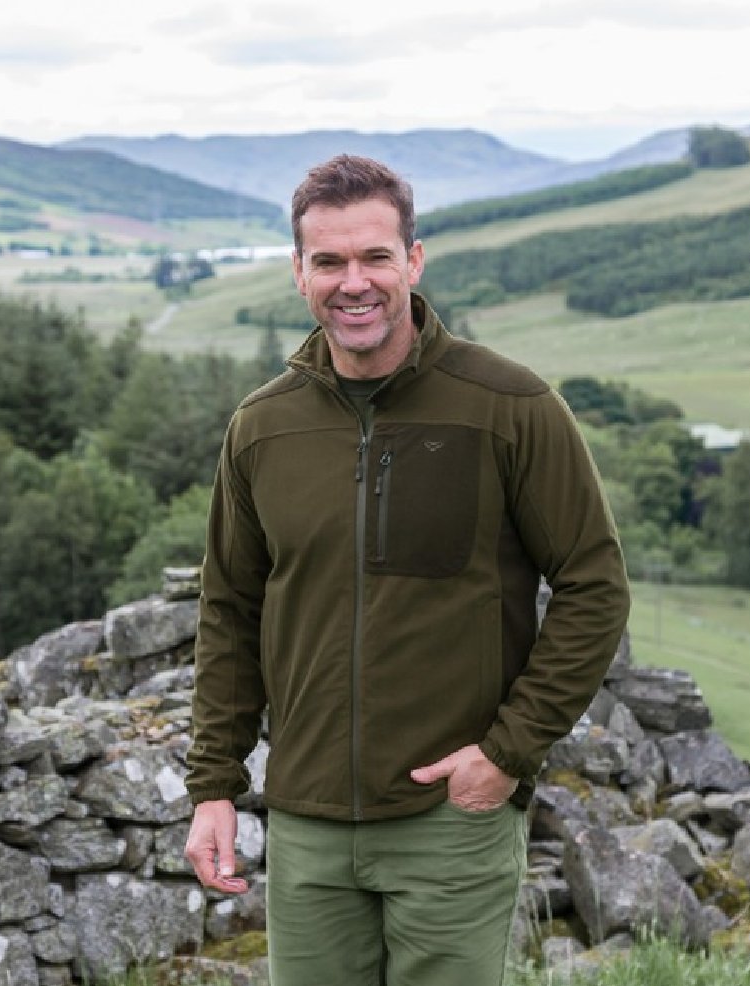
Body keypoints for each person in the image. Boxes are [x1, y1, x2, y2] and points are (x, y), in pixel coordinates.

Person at [184, 154, 629, 986]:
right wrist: (214, 785)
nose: (354, 283)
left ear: (413, 262)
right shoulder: (261, 427)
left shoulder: (511, 407)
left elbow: (594, 587)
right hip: (307, 827)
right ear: (299, 273)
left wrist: (506, 752)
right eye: (330, 262)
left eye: (375, 257)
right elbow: (230, 610)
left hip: (449, 820)